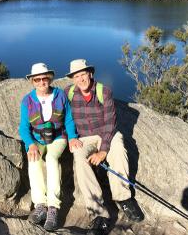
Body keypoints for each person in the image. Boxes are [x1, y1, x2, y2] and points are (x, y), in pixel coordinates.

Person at [64, 59, 144, 235]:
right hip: (84, 138)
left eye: (83, 74)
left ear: (90, 74)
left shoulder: (103, 91)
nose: (81, 79)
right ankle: (98, 213)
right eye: (76, 76)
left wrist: (103, 151)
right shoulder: (68, 93)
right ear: (73, 79)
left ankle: (123, 198)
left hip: (105, 134)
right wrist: (70, 138)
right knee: (79, 157)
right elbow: (65, 119)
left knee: (118, 148)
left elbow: (110, 123)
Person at [19, 63, 81, 231]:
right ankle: (40, 205)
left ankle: (53, 207)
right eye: (37, 79)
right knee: (33, 161)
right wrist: (30, 144)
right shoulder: (27, 101)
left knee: (52, 159)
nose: (41, 82)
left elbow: (68, 119)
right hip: (37, 139)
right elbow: (23, 128)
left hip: (58, 137)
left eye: (44, 78)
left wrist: (73, 138)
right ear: (32, 81)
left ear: (50, 78)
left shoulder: (60, 95)